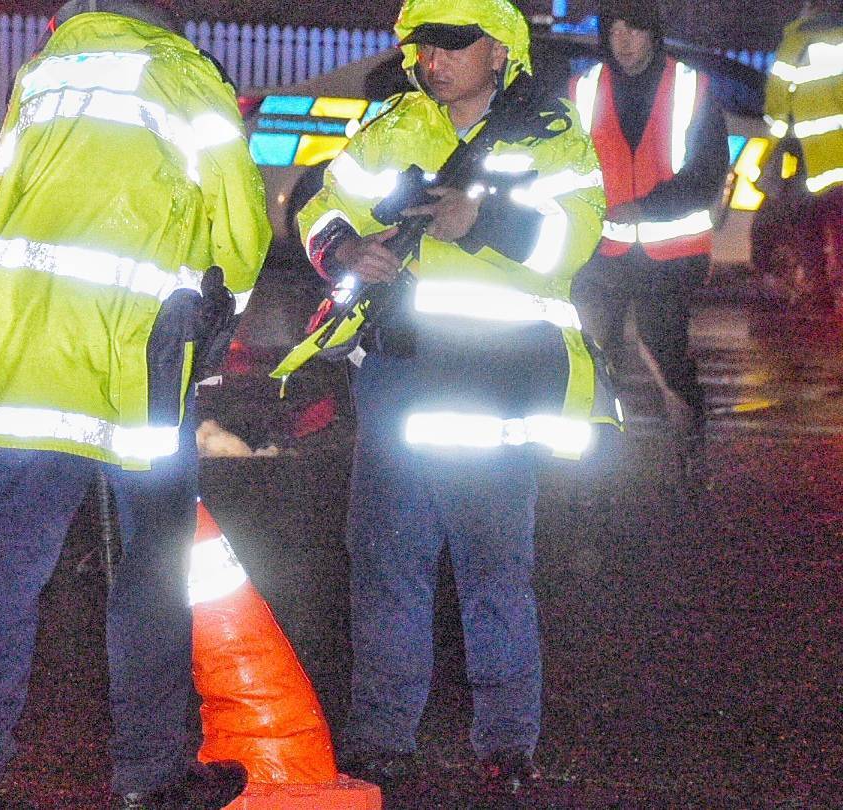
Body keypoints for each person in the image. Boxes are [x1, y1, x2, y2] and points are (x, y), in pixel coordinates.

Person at [0, 1, 270, 807]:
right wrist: (226, 306)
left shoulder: (43, 78)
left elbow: (9, 202)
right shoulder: (181, 72)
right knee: (149, 570)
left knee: (2, 568)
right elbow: (241, 223)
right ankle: (148, 777)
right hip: (135, 360)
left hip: (24, 358)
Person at [292, 0, 611, 796]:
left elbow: (574, 239)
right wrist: (344, 246)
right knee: (386, 561)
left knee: (492, 566)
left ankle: (507, 742)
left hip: (496, 379)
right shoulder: (398, 124)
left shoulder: (550, 135)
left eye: (452, 45)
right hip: (400, 371)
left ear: (499, 51)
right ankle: (381, 737)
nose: (434, 61)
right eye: (424, 46)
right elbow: (318, 200)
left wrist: (481, 219)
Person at [569, 0, 728, 452]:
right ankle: (599, 445)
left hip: (672, 252)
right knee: (596, 349)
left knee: (663, 348)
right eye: (614, 30)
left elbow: (708, 169)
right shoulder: (584, 87)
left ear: (652, 33)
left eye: (633, 30)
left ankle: (689, 440)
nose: (623, 40)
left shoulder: (690, 86)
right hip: (602, 249)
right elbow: (568, 164)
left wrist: (647, 208)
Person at [764, 0, 843, 303]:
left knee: (807, 223)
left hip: (813, 156)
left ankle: (819, 291)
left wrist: (770, 151)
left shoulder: (796, 42)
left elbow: (777, 105)